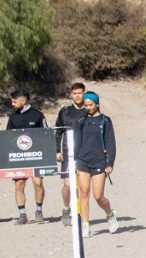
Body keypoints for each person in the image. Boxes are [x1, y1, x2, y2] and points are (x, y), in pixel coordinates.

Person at [74, 91, 119, 237]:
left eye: (90, 105)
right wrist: (73, 159)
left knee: (98, 196)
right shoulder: (81, 120)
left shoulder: (105, 121)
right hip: (82, 161)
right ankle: (85, 225)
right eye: (85, 105)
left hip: (99, 161)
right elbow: (75, 139)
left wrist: (110, 162)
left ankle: (110, 214)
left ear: (97, 104)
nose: (88, 107)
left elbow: (111, 143)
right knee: (83, 193)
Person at [5, 91, 48, 224]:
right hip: (18, 157)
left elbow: (47, 134)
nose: (12, 104)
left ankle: (39, 211)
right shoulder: (12, 116)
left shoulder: (37, 115)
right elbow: (7, 136)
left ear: (23, 101)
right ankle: (22, 214)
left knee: (38, 183)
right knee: (19, 184)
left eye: (14, 101)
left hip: (35, 156)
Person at [54, 82, 87, 227]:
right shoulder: (64, 111)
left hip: (85, 152)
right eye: (75, 93)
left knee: (81, 185)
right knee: (67, 184)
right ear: (71, 95)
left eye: (80, 93)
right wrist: (57, 150)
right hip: (68, 153)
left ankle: (78, 212)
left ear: (84, 93)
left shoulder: (89, 110)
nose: (77, 95)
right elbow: (58, 131)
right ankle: (66, 208)